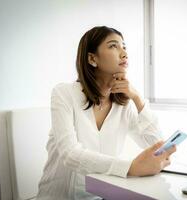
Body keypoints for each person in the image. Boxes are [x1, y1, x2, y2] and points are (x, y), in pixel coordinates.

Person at [36, 26, 176, 200]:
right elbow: (70, 154)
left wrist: (138, 99)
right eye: (113, 46)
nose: (124, 53)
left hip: (99, 196)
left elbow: (156, 147)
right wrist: (130, 167)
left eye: (124, 47)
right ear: (92, 58)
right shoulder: (64, 93)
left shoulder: (124, 105)